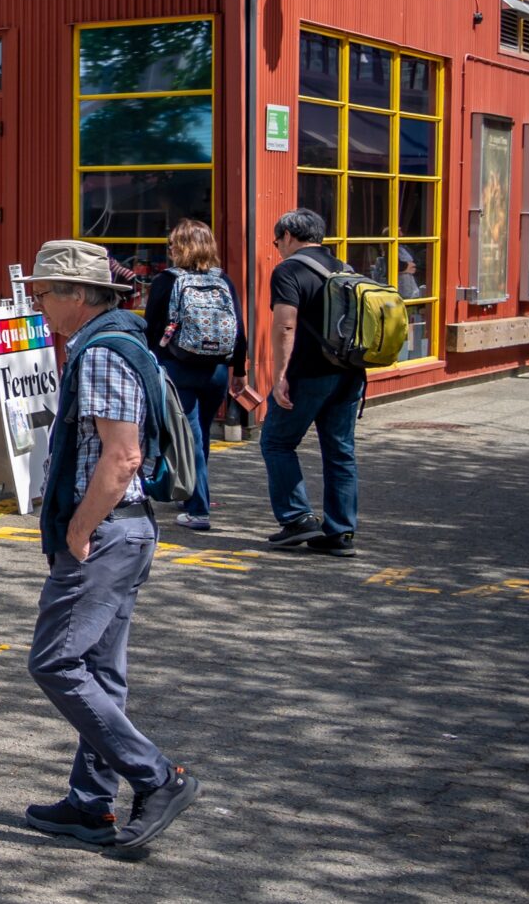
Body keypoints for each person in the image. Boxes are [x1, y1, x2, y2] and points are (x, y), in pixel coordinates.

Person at [23, 238, 198, 852]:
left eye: (43, 293)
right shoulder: (126, 341)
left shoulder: (99, 353)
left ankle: (157, 777)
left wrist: (77, 529)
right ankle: (89, 804)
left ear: (77, 295)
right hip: (130, 530)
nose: (38, 304)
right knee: (101, 669)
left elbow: (122, 456)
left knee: (53, 661)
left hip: (107, 531)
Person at [262, 207, 361, 555]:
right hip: (349, 374)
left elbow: (285, 325)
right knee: (340, 452)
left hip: (309, 374)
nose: (278, 248)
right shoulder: (344, 268)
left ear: (289, 236)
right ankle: (341, 533)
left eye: (277, 241)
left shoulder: (289, 270)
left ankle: (297, 519)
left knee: (276, 442)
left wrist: (279, 376)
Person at [146, 219, 247, 532]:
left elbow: (151, 328)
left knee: (189, 439)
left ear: (180, 247)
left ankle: (198, 509)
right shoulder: (223, 281)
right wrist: (239, 371)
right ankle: (191, 492)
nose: (170, 247)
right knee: (199, 436)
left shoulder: (167, 280)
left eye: (173, 243)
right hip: (216, 370)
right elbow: (239, 329)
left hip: (179, 367)